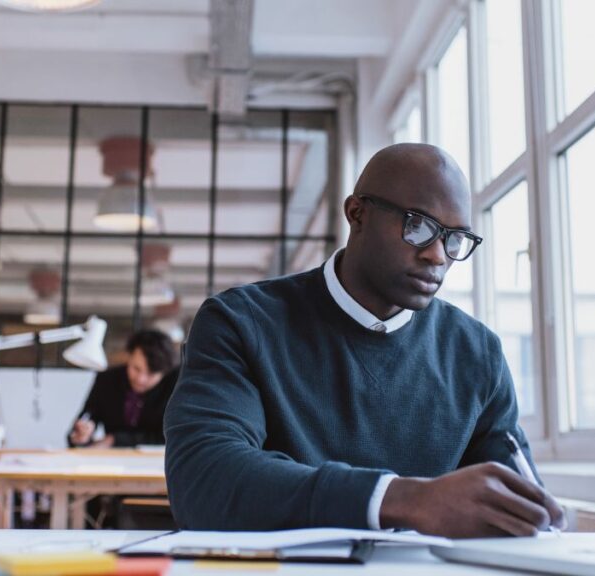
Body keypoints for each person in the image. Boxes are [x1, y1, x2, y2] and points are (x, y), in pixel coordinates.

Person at [164, 143, 566, 538]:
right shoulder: (241, 322)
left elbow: (521, 507)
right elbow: (203, 478)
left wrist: (541, 518)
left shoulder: (478, 354)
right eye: (418, 226)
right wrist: (404, 499)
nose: (438, 255)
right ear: (357, 214)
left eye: (454, 238)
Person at [68, 329, 178, 448]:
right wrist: (81, 436)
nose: (141, 379)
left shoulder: (175, 384)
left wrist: (114, 440)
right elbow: (80, 426)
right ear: (129, 357)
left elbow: (173, 436)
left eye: (151, 374)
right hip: (112, 462)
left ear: (164, 373)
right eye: (136, 368)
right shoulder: (106, 380)